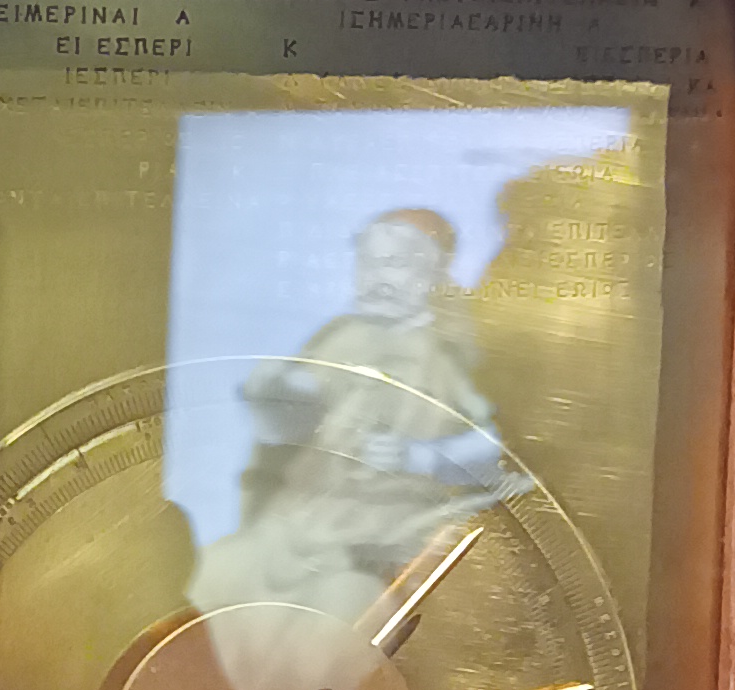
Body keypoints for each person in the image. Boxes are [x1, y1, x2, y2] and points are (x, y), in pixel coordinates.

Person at [189, 206, 512, 619]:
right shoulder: (341, 339)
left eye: (395, 263)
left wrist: (418, 456)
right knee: (220, 575)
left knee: (338, 615)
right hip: (310, 518)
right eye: (368, 262)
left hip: (391, 529)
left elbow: (489, 445)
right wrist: (279, 397)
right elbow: (299, 407)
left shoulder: (444, 356)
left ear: (433, 274)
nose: (377, 277)